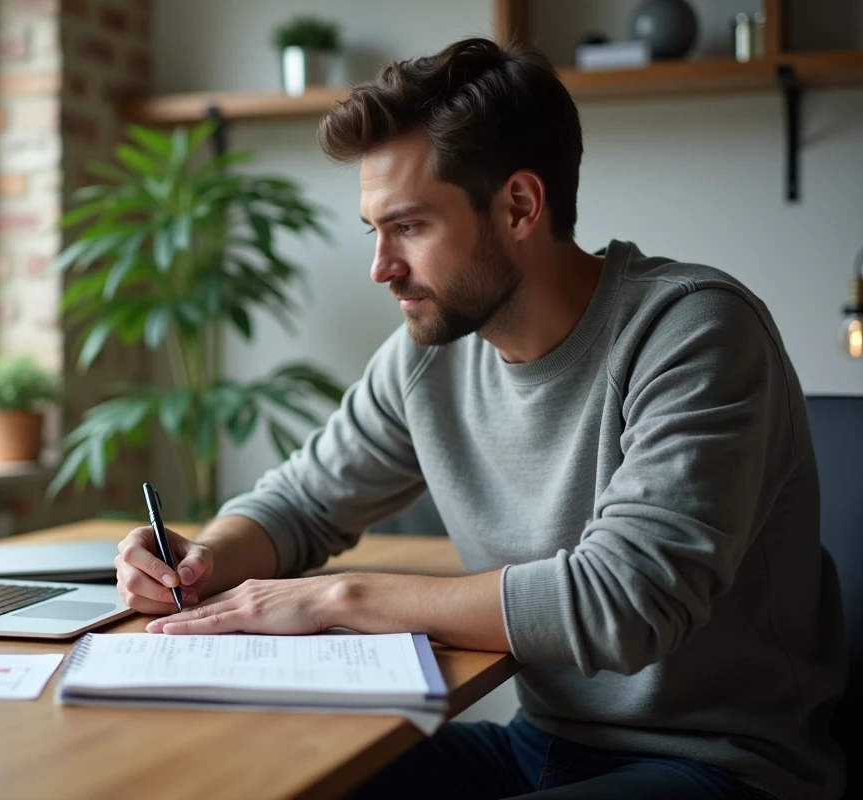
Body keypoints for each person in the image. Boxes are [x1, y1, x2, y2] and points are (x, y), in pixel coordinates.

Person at [112, 36, 846, 800]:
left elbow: (623, 604)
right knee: (261, 780)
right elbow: (299, 503)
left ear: (520, 206)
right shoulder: (429, 357)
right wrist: (197, 561)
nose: (381, 267)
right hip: (542, 744)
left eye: (411, 227)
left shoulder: (693, 332)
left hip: (723, 766)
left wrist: (337, 597)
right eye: (375, 231)